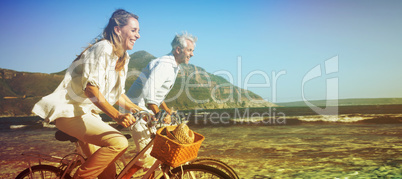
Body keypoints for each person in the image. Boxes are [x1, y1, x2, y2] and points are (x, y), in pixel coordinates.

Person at [32, 9, 142, 179]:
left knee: (109, 175)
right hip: (71, 112)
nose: (138, 36)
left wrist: (142, 110)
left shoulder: (123, 58)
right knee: (119, 142)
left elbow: (117, 95)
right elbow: (90, 89)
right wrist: (117, 116)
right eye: (133, 30)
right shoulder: (103, 48)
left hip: (87, 115)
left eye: (138, 31)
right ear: (118, 29)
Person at [123, 32, 197, 177]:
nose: (192, 54)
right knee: (148, 157)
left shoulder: (173, 66)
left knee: (161, 154)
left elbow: (156, 94)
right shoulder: (165, 65)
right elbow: (149, 93)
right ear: (178, 50)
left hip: (145, 109)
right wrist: (158, 114)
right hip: (136, 110)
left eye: (192, 51)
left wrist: (166, 109)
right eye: (190, 50)